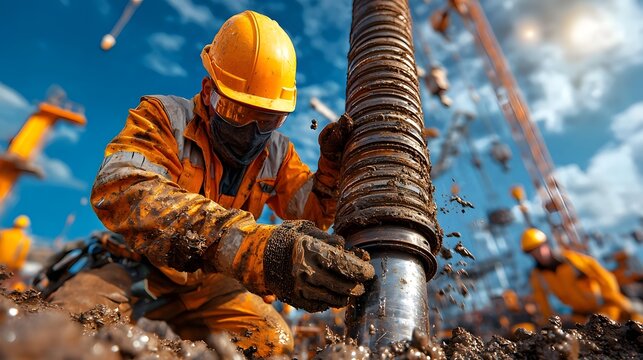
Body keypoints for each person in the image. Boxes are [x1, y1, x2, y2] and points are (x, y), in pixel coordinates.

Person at [48, 10, 374, 358]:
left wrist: (330, 174)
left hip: (210, 284)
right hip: (134, 267)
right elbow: (123, 189)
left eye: (268, 119)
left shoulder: (278, 153)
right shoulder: (164, 118)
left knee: (270, 342)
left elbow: (310, 212)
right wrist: (258, 251)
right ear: (209, 91)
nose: (252, 132)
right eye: (237, 112)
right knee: (64, 334)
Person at [521, 228, 641, 324]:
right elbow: (541, 302)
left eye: (540, 248)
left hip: (607, 306)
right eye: (533, 251)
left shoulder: (572, 260)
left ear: (547, 244)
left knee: (636, 321)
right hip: (582, 317)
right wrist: (550, 323)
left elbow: (605, 278)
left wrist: (615, 301)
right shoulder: (538, 277)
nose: (539, 253)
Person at [0, 215, 32, 290]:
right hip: (9, 267)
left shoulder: (4, 233)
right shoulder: (25, 240)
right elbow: (21, 257)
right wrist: (17, 270)